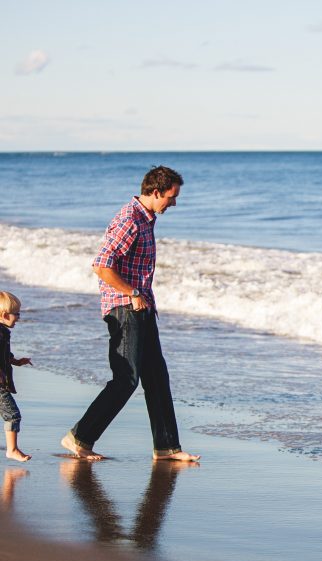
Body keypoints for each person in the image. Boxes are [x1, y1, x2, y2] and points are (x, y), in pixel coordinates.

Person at [61, 166, 199, 462]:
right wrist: (132, 293)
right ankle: (80, 437)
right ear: (155, 192)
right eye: (171, 197)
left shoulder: (146, 219)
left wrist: (141, 297)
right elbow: (101, 264)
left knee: (157, 378)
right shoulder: (130, 219)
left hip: (142, 307)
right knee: (127, 379)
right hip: (125, 308)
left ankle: (166, 447)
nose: (174, 203)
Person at [0, 291, 32, 462]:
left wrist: (17, 362)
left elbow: (4, 354)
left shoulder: (3, 332)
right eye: (16, 314)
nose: (18, 317)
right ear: (5, 315)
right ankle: (11, 450)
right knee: (12, 415)